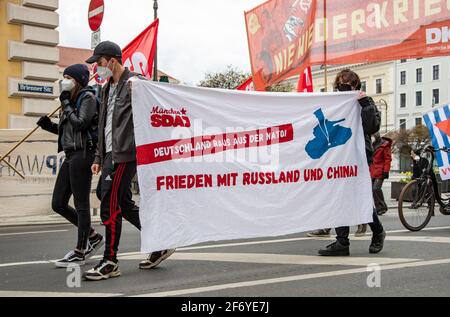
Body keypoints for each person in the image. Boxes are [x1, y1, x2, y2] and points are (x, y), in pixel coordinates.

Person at [83, 41, 175, 281]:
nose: (97, 69)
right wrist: (98, 156)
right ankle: (161, 242)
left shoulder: (136, 84)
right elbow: (104, 124)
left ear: (112, 60)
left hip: (126, 153)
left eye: (99, 63)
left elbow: (156, 108)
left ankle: (110, 261)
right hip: (109, 155)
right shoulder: (105, 89)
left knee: (109, 204)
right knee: (121, 202)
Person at [37, 64, 103, 267]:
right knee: (58, 203)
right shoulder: (72, 100)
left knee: (81, 204)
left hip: (83, 154)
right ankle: (92, 236)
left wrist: (66, 104)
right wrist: (50, 127)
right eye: (63, 76)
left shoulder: (87, 98)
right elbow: (69, 130)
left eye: (68, 77)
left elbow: (81, 123)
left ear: (78, 81)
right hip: (70, 154)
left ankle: (80, 250)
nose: (64, 80)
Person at [318, 69, 386, 256]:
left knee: (359, 196)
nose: (343, 88)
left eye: (347, 84)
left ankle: (378, 231)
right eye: (340, 84)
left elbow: (372, 127)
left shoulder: (365, 102)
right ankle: (342, 242)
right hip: (337, 155)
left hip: (358, 155)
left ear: (356, 85)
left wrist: (364, 103)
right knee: (339, 196)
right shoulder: (333, 103)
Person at [370, 133, 393, 216]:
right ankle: (378, 208)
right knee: (372, 190)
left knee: (376, 188)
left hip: (380, 171)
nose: (371, 138)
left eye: (372, 136)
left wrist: (386, 171)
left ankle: (383, 207)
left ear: (376, 136)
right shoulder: (370, 144)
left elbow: (388, 159)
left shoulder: (384, 145)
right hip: (372, 171)